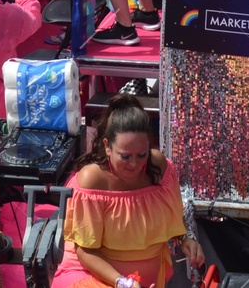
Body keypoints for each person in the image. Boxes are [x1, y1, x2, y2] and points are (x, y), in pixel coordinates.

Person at [52, 94, 202, 288]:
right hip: (92, 275)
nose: (135, 164)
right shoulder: (92, 179)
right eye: (125, 156)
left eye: (142, 155)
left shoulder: (159, 168)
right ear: (107, 147)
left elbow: (173, 218)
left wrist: (186, 240)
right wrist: (122, 282)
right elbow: (85, 251)